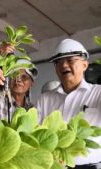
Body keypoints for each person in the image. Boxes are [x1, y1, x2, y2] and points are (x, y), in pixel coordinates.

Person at [36, 39, 101, 168]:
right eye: (58, 62)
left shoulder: (98, 93)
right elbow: (37, 134)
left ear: (84, 65)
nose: (64, 65)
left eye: (70, 60)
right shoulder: (44, 99)